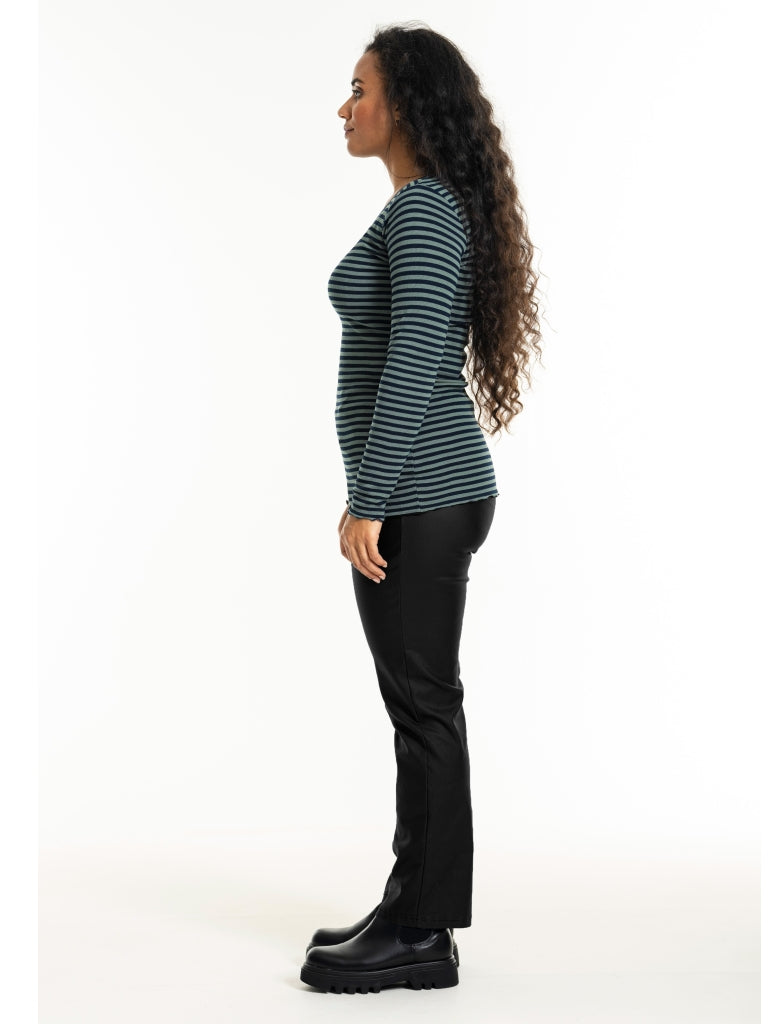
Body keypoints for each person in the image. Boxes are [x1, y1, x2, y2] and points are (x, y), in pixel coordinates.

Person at [300, 22, 542, 995]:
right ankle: (408, 905)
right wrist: (371, 495)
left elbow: (412, 363)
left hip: (422, 497)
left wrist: (368, 498)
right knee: (417, 706)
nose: (345, 106)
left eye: (359, 89)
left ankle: (423, 933)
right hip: (420, 493)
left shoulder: (428, 210)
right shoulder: (420, 208)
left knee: (424, 707)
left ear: (404, 102)